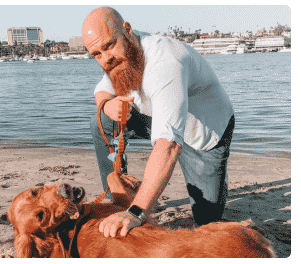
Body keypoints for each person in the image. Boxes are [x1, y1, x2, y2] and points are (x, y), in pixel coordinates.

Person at [82, 6, 235, 238]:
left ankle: (216, 182)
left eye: (109, 45)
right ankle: (117, 196)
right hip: (161, 122)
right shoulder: (119, 53)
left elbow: (169, 145)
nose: (105, 59)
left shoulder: (165, 62)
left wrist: (135, 213)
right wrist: (106, 105)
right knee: (101, 120)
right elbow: (102, 90)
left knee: (207, 225)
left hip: (204, 134)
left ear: (127, 30)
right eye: (97, 54)